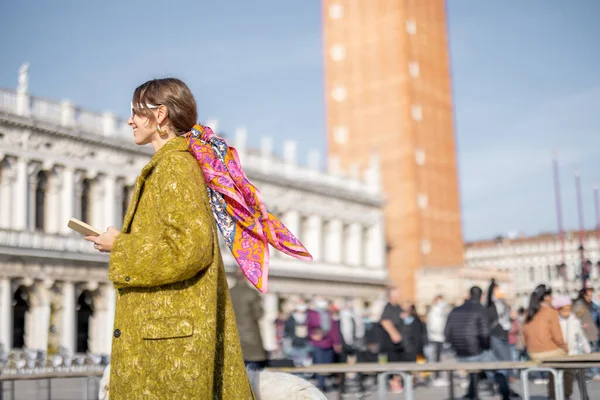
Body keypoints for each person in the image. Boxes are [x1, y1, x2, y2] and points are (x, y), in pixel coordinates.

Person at [86, 78, 311, 399]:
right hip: (168, 341)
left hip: (170, 350)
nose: (130, 120)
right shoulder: (171, 164)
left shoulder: (175, 166)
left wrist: (118, 245)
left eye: (136, 112)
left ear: (160, 115)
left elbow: (189, 248)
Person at [444, 286, 495, 400]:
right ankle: (504, 391)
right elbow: (485, 333)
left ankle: (472, 393)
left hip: (459, 350)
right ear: (481, 296)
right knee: (497, 365)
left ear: (469, 294)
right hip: (475, 349)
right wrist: (486, 347)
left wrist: (453, 345)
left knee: (474, 371)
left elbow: (447, 331)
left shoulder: (455, 310)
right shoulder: (481, 310)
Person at [523, 285, 568, 400]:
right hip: (549, 352)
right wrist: (565, 349)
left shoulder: (528, 313)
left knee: (557, 365)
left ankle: (553, 394)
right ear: (547, 297)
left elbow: (524, 336)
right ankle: (564, 395)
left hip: (532, 352)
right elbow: (557, 337)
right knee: (570, 365)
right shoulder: (551, 312)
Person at [553, 295, 591, 399]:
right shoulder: (556, 321)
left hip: (575, 354)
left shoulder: (575, 321)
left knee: (581, 376)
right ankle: (565, 396)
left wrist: (588, 351)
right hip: (562, 355)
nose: (567, 312)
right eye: (564, 309)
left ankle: (585, 396)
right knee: (566, 380)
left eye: (569, 309)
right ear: (559, 310)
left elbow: (582, 337)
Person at [230, 269, 268, 370]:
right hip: (251, 339)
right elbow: (258, 314)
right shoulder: (251, 293)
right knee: (253, 376)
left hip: (233, 337)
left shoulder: (228, 293)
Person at [485, 280, 517, 399]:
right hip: (495, 336)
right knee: (504, 364)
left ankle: (505, 389)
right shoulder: (490, 304)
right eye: (497, 289)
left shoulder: (502, 304)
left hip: (505, 335)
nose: (500, 292)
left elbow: (505, 318)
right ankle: (504, 390)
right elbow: (489, 296)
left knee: (507, 362)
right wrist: (493, 282)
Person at [307, 297, 341, 392]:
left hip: (329, 342)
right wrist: (312, 335)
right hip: (317, 343)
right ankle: (320, 384)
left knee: (327, 363)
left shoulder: (330, 314)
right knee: (319, 363)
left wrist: (336, 342)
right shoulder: (312, 314)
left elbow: (334, 330)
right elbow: (308, 327)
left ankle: (325, 382)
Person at [426, 294, 449, 386]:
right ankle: (435, 377)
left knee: (439, 358)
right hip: (435, 337)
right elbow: (433, 326)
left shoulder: (441, 311)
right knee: (435, 358)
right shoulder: (434, 312)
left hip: (440, 338)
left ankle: (438, 376)